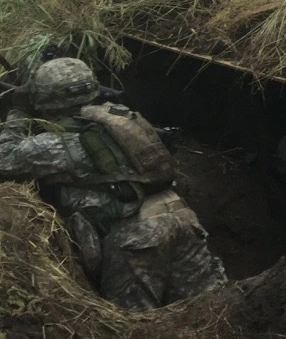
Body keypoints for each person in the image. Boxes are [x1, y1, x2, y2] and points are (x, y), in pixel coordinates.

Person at [0, 58, 227, 309]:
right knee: (210, 311)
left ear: (45, 101)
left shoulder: (60, 143)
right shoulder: (122, 118)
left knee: (135, 325)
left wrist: (17, 113)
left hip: (138, 240)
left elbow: (5, 159)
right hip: (182, 219)